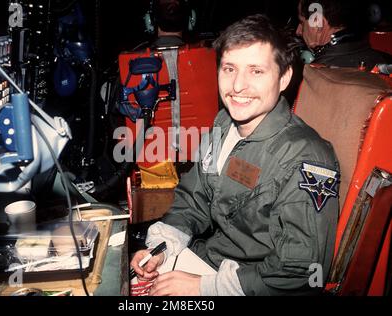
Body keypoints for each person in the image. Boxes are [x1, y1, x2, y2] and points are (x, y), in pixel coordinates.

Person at [130, 14, 340, 296]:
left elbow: (301, 273)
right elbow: (195, 199)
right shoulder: (223, 124)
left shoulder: (307, 158)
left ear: (284, 78)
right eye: (229, 69)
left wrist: (203, 287)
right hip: (209, 260)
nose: (237, 86)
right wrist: (162, 248)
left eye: (256, 71)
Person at [296, 0, 391, 69]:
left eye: (302, 23)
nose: (298, 31)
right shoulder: (384, 60)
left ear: (318, 24)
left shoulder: (314, 78)